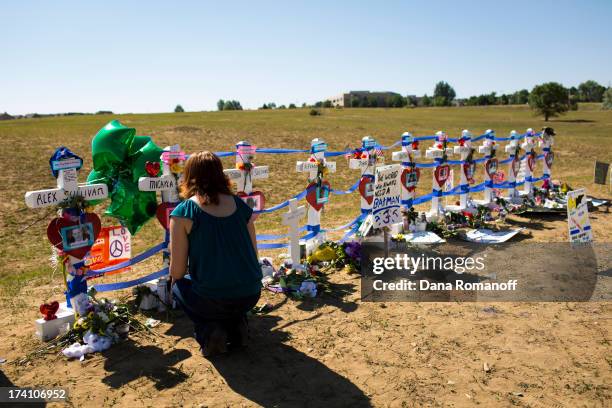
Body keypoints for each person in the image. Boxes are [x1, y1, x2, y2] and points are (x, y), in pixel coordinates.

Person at [169, 151, 262, 357]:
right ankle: (237, 324)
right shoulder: (240, 205)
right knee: (228, 296)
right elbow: (253, 254)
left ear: (189, 176)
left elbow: (177, 270)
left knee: (178, 286)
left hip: (212, 297)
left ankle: (210, 331)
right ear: (221, 174)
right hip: (251, 292)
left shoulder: (183, 213)